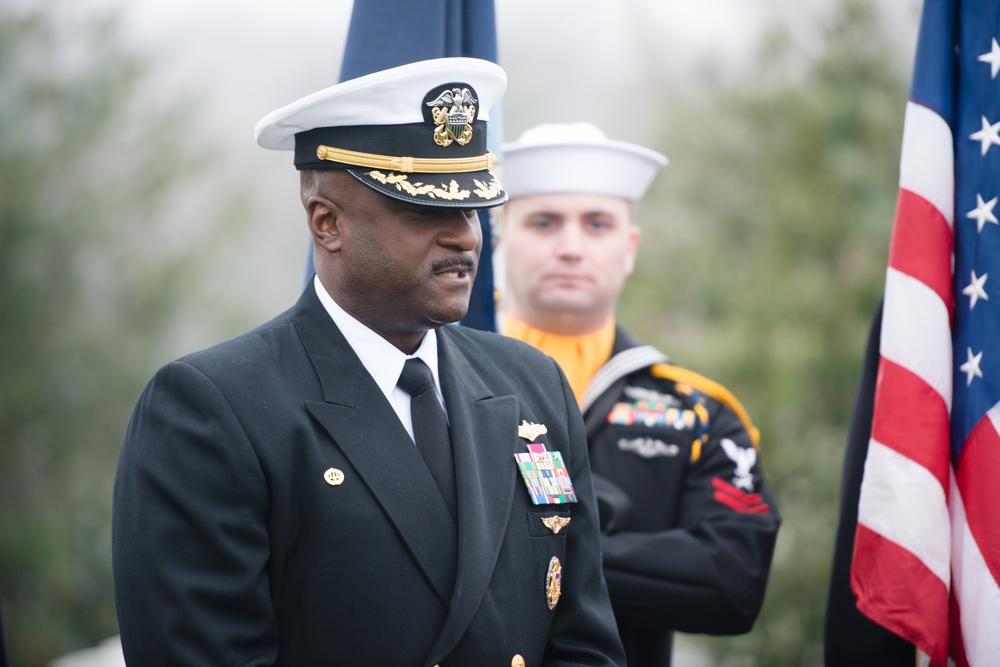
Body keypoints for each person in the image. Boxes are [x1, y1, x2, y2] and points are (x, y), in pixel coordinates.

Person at [112, 60, 625, 667]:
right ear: (328, 223)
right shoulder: (214, 408)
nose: (464, 237)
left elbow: (585, 642)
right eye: (424, 211)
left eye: (473, 209)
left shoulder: (531, 383)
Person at [499, 122, 781, 667]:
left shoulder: (701, 412)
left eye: (597, 224)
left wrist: (533, 543)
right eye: (543, 222)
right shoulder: (432, 382)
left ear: (629, 248)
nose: (571, 247)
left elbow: (733, 581)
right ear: (501, 234)